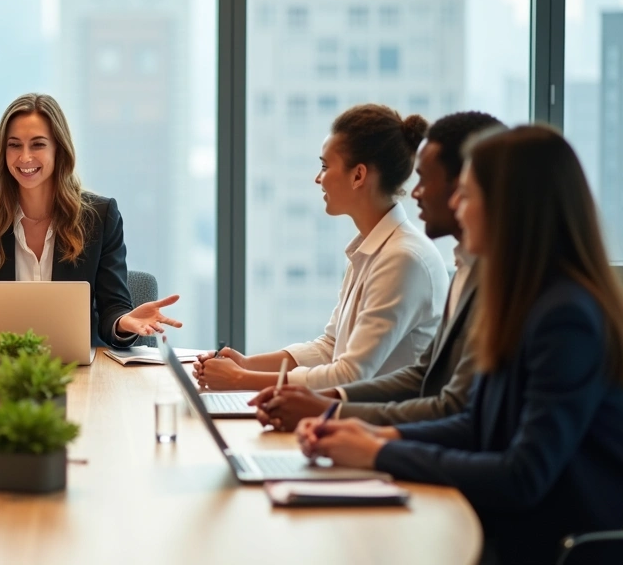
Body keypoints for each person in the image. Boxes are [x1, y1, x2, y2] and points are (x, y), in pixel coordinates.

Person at [298, 126, 623, 564]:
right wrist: (371, 432)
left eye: (467, 196)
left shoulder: (566, 317)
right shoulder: (521, 298)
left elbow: (523, 475)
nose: (454, 206)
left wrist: (379, 451)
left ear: (511, 208)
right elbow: (476, 424)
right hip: (506, 524)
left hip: (547, 543)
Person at [250, 112, 504, 432]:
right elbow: (420, 375)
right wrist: (325, 404)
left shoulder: (407, 257)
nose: (416, 192)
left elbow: (450, 406)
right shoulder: (462, 268)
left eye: (427, 180)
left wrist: (334, 415)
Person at [0, 93, 180, 349]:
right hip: (1, 372)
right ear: (3, 151)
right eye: (14, 145)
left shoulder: (99, 217)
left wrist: (124, 322)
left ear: (59, 150)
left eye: (37, 144)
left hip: (79, 374)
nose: (25, 157)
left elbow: (112, 309)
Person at [195, 104, 448, 391]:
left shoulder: (403, 259)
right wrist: (245, 364)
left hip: (383, 427)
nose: (318, 178)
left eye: (326, 166)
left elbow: (350, 375)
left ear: (358, 175)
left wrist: (241, 380)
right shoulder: (371, 249)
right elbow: (330, 347)